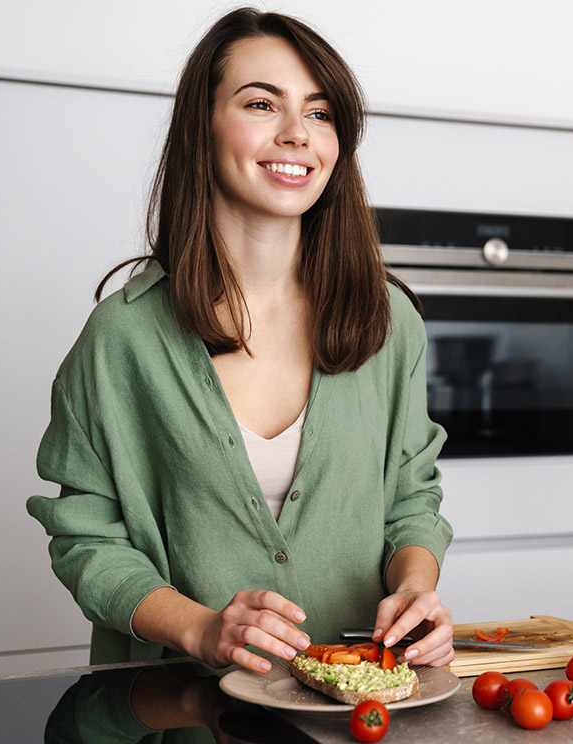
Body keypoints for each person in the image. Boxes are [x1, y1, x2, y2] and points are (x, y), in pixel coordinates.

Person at [27, 7, 454, 675]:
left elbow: (411, 497)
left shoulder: (388, 321)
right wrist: (202, 630)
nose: (297, 134)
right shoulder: (123, 337)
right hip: (182, 708)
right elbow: (86, 539)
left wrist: (414, 588)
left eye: (320, 113)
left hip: (358, 706)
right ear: (202, 125)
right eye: (262, 103)